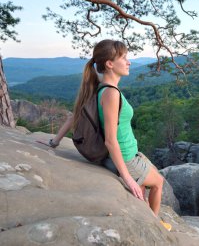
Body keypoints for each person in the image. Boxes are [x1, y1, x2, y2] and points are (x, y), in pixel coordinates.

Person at [48, 39, 171, 231]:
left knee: (145, 186)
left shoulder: (100, 86)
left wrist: (54, 142)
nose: (129, 62)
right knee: (158, 183)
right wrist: (127, 177)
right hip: (125, 157)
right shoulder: (111, 93)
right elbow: (111, 140)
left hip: (124, 155)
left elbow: (75, 114)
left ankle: (146, 213)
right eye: (124, 58)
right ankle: (155, 225)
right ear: (109, 64)